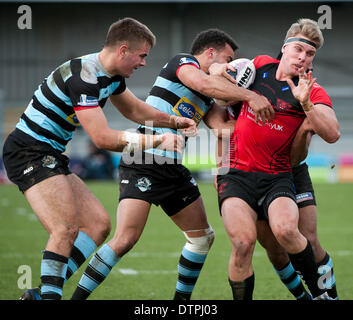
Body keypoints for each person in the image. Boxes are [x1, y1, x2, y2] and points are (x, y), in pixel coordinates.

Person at [70, 28, 274, 300]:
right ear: (209, 53)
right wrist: (250, 96)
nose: (230, 67)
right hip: (143, 159)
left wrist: (271, 115)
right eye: (227, 59)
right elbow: (202, 84)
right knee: (125, 239)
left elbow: (224, 129)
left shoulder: (208, 96)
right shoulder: (183, 63)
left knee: (202, 238)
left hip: (173, 168)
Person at [2, 17, 196, 300]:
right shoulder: (86, 77)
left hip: (50, 153)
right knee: (64, 229)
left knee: (97, 225)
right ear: (123, 50)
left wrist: (175, 122)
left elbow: (136, 111)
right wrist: (155, 140)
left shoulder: (112, 76)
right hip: (28, 151)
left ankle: (41, 294)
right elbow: (102, 139)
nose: (143, 63)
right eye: (142, 56)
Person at [215, 18, 340, 300]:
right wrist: (218, 68)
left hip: (286, 171)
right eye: (298, 49)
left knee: (305, 239)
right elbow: (213, 83)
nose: (303, 57)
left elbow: (332, 133)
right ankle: (304, 296)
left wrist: (306, 104)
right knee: (257, 246)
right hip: (238, 172)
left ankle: (327, 295)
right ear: (284, 48)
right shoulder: (256, 67)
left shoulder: (311, 90)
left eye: (309, 54)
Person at [256, 117, 338, 299]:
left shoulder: (299, 94)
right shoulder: (248, 93)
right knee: (275, 251)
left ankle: (331, 297)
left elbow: (328, 132)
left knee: (310, 241)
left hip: (294, 170)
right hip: (254, 173)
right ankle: (303, 297)